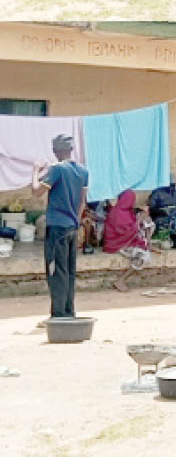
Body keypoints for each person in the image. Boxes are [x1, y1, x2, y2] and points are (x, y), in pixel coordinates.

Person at [30, 134, 88, 319]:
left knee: (56, 271)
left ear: (56, 151)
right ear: (70, 150)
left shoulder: (56, 169)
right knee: (69, 272)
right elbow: (82, 204)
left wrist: (35, 171)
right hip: (72, 227)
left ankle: (58, 315)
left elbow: (36, 192)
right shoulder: (83, 171)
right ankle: (69, 312)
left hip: (57, 228)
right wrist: (76, 223)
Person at [103, 189, 152, 291]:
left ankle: (148, 243)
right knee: (143, 255)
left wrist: (143, 217)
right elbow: (129, 231)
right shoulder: (119, 213)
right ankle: (121, 280)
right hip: (118, 244)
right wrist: (140, 218)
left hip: (124, 241)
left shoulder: (125, 211)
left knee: (148, 222)